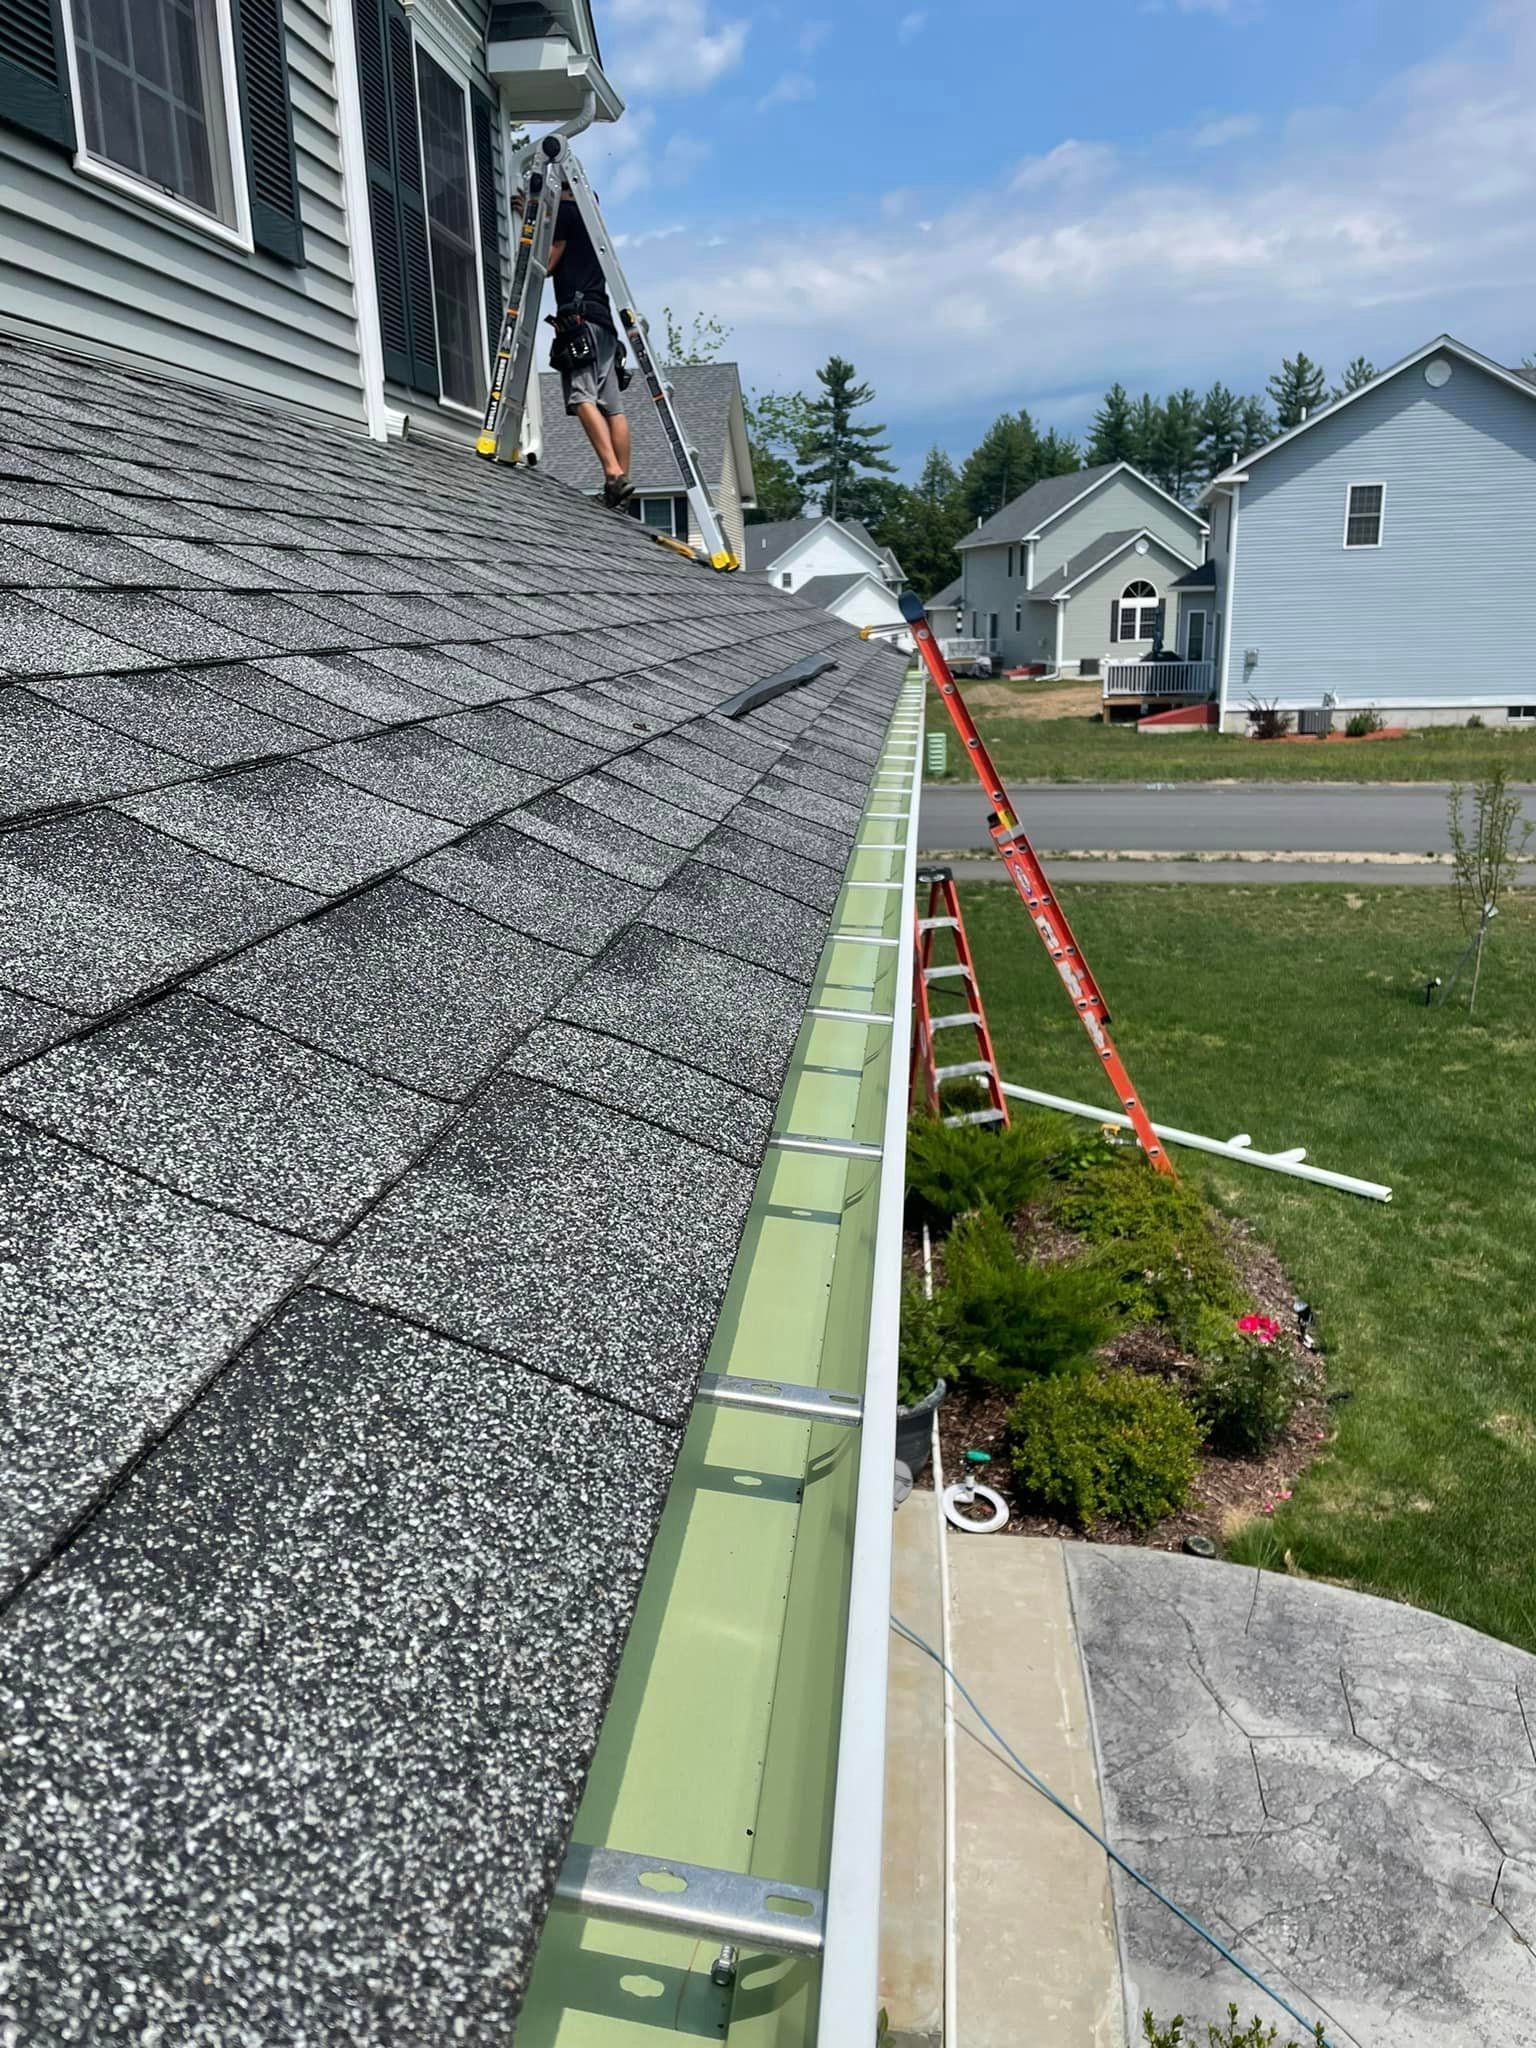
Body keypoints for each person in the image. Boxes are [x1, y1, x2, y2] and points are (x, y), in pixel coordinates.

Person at [525, 176, 633, 508]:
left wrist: (535, 225)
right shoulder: (595, 227)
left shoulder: (567, 212)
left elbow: (549, 262)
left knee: (581, 396)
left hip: (578, 318)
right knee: (613, 407)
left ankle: (613, 473)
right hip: (604, 323)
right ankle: (622, 484)